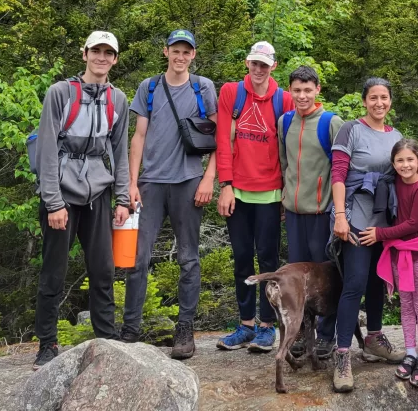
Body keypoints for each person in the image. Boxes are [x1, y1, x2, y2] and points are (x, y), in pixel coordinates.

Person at [32, 30, 130, 369]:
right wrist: (54, 202)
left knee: (103, 269)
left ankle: (107, 341)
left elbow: (119, 152)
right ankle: (47, 344)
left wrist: (122, 198)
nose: (102, 58)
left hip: (98, 192)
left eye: (108, 53)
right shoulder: (60, 93)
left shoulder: (118, 99)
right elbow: (46, 150)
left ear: (115, 59)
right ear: (84, 53)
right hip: (61, 192)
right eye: (96, 51)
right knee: (54, 272)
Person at [120, 29, 218, 359]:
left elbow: (221, 138)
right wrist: (131, 184)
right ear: (166, 52)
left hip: (189, 181)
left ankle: (185, 330)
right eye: (175, 50)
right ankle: (130, 329)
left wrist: (209, 179)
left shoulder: (202, 88)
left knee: (188, 258)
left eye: (186, 51)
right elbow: (139, 136)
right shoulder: (149, 87)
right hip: (150, 182)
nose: (180, 56)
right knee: (138, 258)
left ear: (193, 55)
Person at [215, 41, 294, 353]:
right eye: (254, 63)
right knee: (242, 259)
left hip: (271, 191)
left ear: (273, 66)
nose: (258, 69)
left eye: (265, 64)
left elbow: (291, 147)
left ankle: (267, 326)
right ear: (247, 63)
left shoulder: (284, 99)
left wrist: (288, 190)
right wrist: (225, 184)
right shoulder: (231, 94)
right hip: (238, 191)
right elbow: (222, 139)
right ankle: (246, 324)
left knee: (270, 260)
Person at [330, 77, 407, 392]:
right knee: (355, 284)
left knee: (378, 281)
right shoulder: (351, 129)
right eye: (374, 98)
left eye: (384, 98)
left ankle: (373, 339)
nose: (379, 103)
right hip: (355, 217)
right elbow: (338, 173)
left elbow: (406, 173)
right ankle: (343, 354)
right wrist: (338, 216)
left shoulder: (396, 136)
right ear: (365, 101)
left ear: (390, 101)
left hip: (384, 221)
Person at [277, 65, 344, 360]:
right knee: (298, 280)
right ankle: (305, 335)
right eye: (297, 90)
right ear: (289, 91)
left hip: (321, 212)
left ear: (318, 90)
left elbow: (342, 168)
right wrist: (283, 198)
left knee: (326, 277)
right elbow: (284, 163)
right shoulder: (285, 121)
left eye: (308, 90)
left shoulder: (331, 122)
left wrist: (339, 210)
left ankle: (327, 335)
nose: (302, 95)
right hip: (293, 211)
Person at [363, 138, 418, 389]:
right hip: (399, 252)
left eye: (410, 159)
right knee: (406, 304)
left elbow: (413, 225)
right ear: (393, 163)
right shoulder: (393, 182)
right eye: (400, 160)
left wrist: (379, 234)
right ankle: (410, 352)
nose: (405, 165)